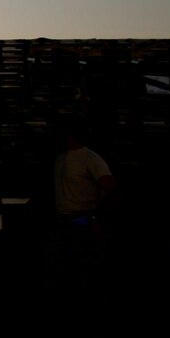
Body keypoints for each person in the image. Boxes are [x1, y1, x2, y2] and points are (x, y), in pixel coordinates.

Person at [50, 122, 117, 284]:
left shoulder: (89, 159)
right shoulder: (62, 158)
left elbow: (112, 189)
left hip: (81, 221)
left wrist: (96, 216)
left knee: (83, 267)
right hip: (69, 221)